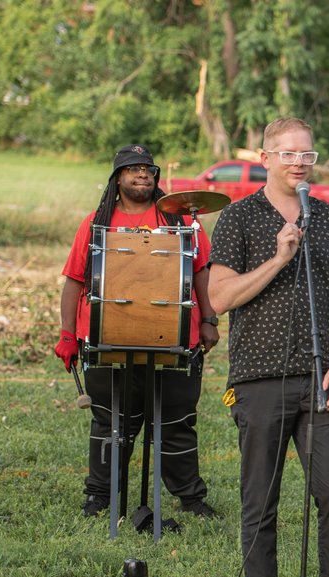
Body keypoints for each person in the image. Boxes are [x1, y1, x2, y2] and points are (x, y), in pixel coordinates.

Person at [208, 117, 329, 577]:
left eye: (307, 154)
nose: (299, 161)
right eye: (289, 153)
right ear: (265, 157)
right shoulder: (237, 220)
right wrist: (278, 258)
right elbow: (221, 297)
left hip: (321, 374)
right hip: (258, 376)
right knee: (261, 496)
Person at [55, 144, 220, 521]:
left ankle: (191, 498)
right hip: (107, 338)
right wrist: (67, 334)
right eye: (132, 169)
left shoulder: (180, 221)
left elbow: (201, 271)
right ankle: (100, 496)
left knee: (177, 422)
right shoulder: (96, 223)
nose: (142, 175)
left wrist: (209, 320)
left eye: (148, 169)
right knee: (110, 422)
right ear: (118, 178)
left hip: (176, 340)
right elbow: (74, 281)